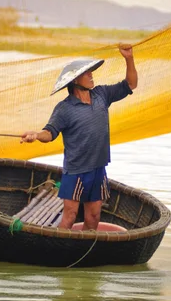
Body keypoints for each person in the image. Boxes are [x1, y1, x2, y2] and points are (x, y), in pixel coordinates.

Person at [20, 43, 137, 230]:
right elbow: (50, 133)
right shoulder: (64, 108)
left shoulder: (102, 95)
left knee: (94, 215)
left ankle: (83, 254)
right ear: (75, 80)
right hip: (75, 171)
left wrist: (129, 58)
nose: (91, 75)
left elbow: (131, 84)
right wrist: (35, 134)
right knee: (70, 216)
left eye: (91, 72)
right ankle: (58, 250)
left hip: (98, 168)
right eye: (87, 73)